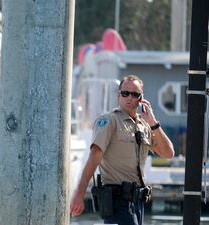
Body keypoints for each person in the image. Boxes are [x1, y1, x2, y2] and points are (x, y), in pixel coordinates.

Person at [70, 75, 174, 225]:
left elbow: (168, 153)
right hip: (117, 202)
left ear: (141, 98)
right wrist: (79, 194)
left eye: (135, 94)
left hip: (137, 202)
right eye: (125, 93)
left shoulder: (144, 126)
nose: (129, 98)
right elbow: (93, 158)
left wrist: (153, 123)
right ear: (119, 95)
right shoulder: (109, 121)